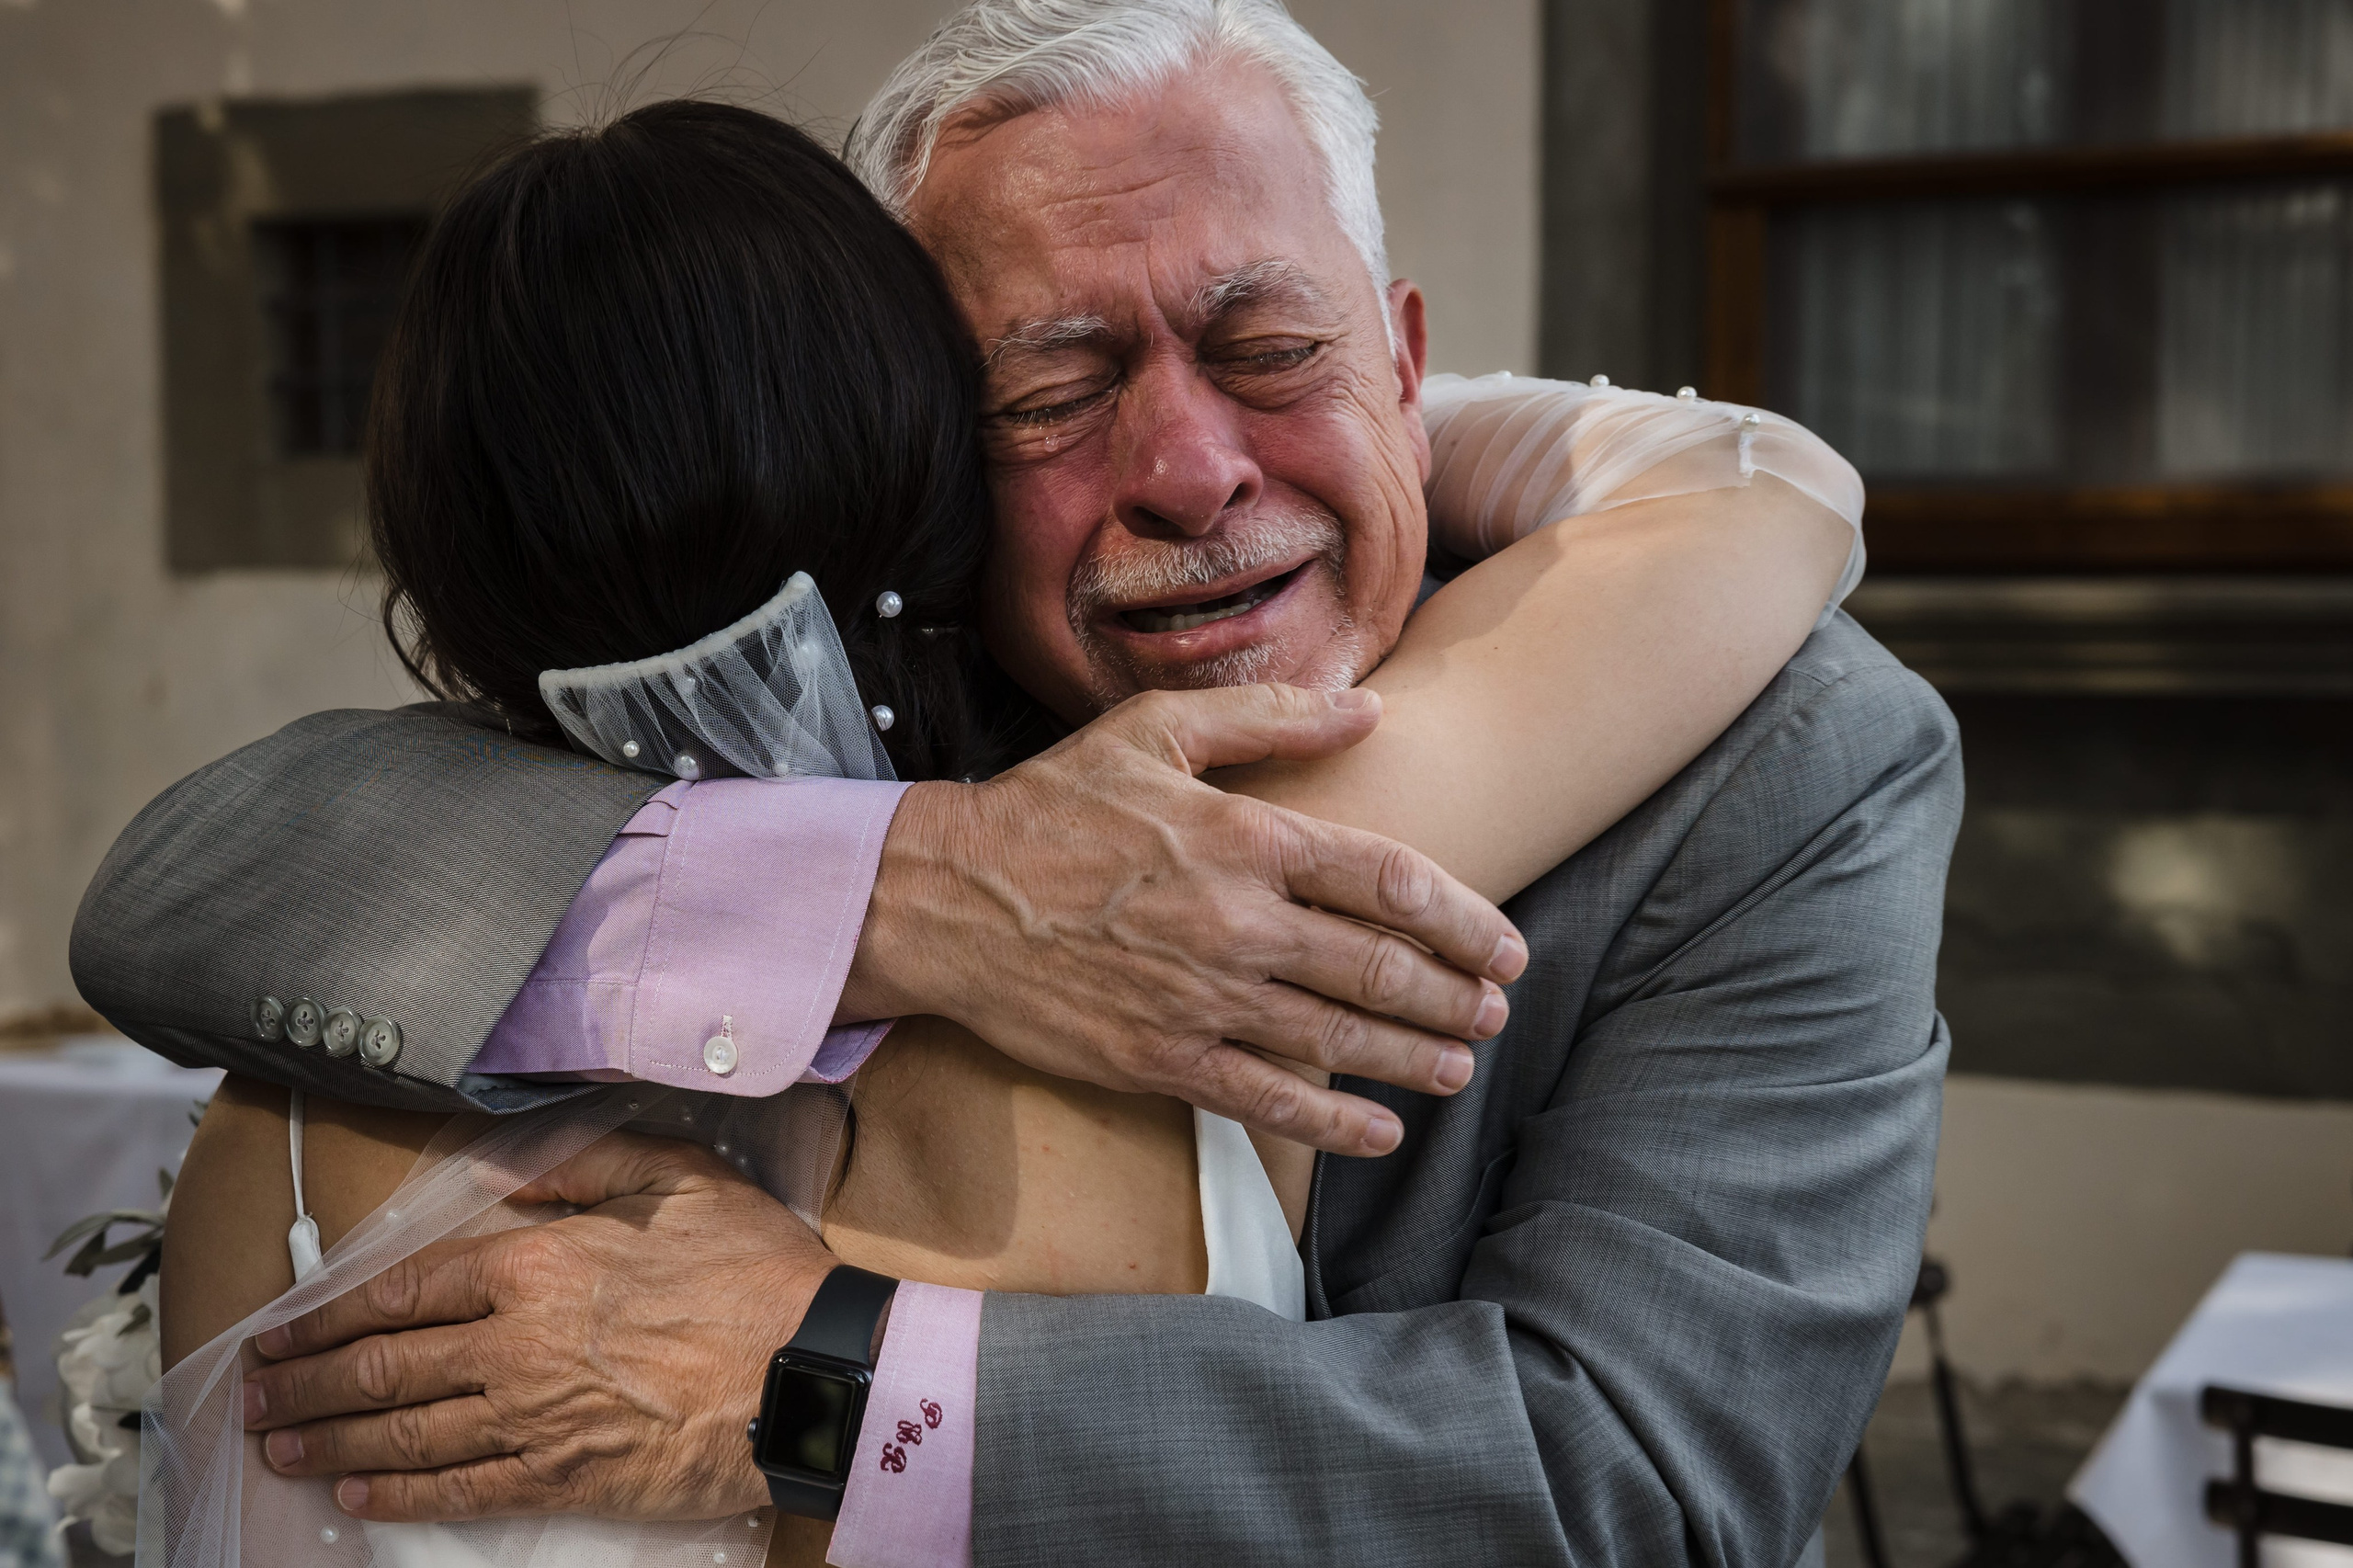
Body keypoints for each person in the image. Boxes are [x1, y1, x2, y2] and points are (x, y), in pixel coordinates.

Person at [75, 3, 1961, 1563]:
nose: (1190, 472)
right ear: (919, 459)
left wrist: (814, 1387)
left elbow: (1637, 1489)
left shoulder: (1786, 758)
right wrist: (917, 883)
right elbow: (188, 891)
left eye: (1268, 348)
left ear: (1401, 356)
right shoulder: (914, 691)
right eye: (1050, 397)